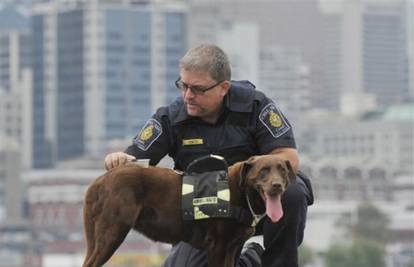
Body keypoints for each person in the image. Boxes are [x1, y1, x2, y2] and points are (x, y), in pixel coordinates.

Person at [104, 44, 313, 267]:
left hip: (258, 203)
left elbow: (288, 158)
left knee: (292, 192)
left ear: (223, 87)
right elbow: (136, 164)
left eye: (197, 89)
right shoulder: (170, 118)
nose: (187, 96)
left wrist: (244, 181)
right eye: (183, 86)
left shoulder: (256, 106)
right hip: (205, 207)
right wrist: (120, 160)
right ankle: (252, 259)